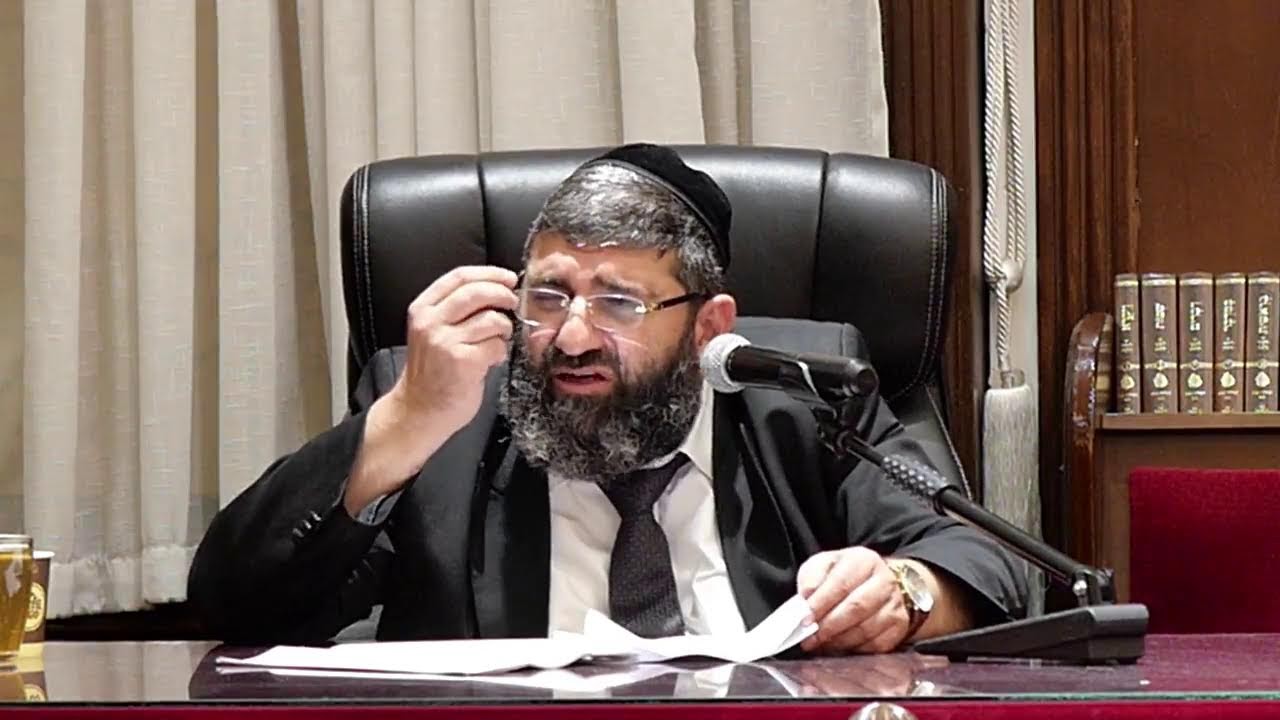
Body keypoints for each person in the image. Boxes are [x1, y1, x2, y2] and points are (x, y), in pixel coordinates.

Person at [189, 143, 1026, 654]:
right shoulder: (442, 413)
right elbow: (234, 606)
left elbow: (993, 564)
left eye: (619, 303)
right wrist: (401, 423)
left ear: (707, 326)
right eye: (548, 296)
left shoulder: (801, 398)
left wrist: (906, 590)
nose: (572, 337)